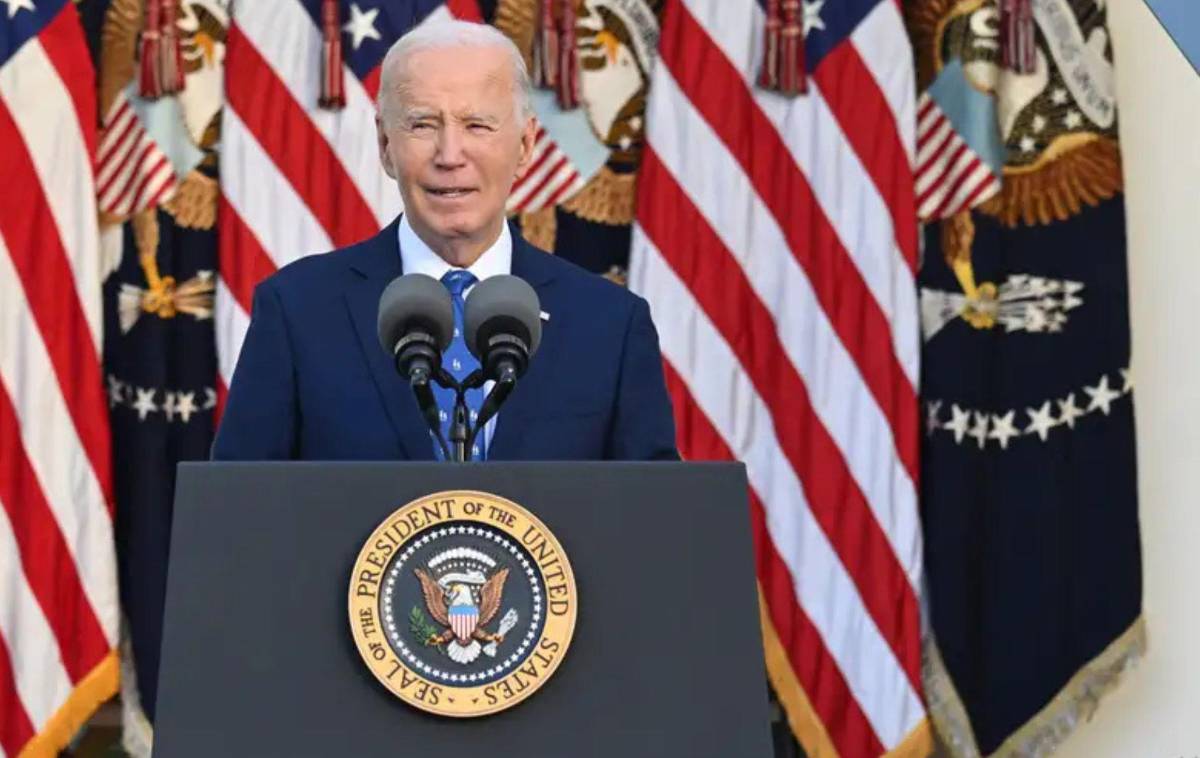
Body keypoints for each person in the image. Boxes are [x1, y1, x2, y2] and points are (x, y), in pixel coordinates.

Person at [212, 20, 677, 462]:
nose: (450, 155)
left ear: (525, 145)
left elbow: (652, 521)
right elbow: (239, 514)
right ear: (385, 146)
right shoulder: (297, 310)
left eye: (477, 125)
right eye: (422, 125)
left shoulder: (610, 326)